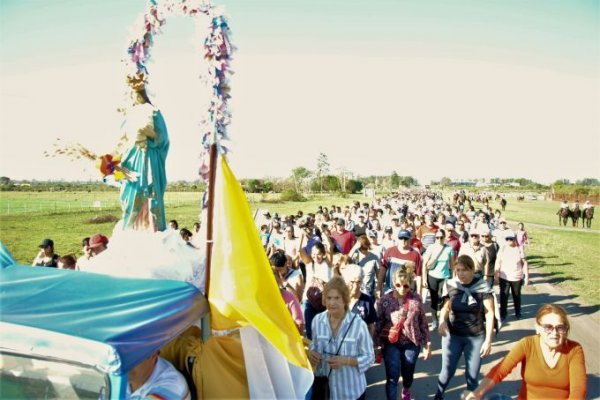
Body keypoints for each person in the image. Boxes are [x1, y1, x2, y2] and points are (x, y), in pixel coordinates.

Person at [462, 304, 587, 400]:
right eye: (548, 327)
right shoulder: (527, 344)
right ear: (538, 328)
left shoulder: (574, 350)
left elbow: (578, 389)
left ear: (566, 330)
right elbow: (501, 369)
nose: (554, 333)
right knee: (493, 398)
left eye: (560, 328)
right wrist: (477, 393)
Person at [434, 255, 495, 400]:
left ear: (473, 270)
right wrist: (442, 321)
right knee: (447, 371)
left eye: (465, 270)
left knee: (472, 376)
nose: (461, 273)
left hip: (475, 337)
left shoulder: (482, 286)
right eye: (458, 270)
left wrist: (488, 341)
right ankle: (438, 395)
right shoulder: (450, 284)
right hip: (453, 335)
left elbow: (490, 313)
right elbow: (446, 307)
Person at [309, 277, 375, 399]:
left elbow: (370, 357)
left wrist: (347, 361)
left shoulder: (358, 325)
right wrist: (312, 353)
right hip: (326, 392)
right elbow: (314, 345)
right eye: (329, 298)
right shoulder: (317, 321)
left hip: (351, 393)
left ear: (345, 300)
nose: (332, 302)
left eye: (337, 298)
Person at [119, 72, 170, 231]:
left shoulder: (153, 112)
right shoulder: (129, 115)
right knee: (131, 195)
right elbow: (122, 141)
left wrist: (151, 134)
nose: (133, 97)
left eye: (135, 93)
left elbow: (164, 139)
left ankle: (152, 228)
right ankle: (132, 229)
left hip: (148, 159)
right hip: (131, 161)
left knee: (150, 193)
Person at [378, 268, 431, 400]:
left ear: (410, 284)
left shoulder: (416, 299)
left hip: (411, 343)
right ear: (393, 283)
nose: (402, 288)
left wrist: (427, 344)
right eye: (398, 285)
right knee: (392, 375)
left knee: (408, 372)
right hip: (391, 344)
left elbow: (423, 322)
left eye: (406, 285)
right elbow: (378, 323)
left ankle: (406, 388)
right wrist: (377, 345)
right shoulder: (384, 300)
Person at [300, 242, 335, 339]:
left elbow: (330, 248)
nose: (316, 256)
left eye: (318, 254)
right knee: (310, 331)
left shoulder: (328, 264)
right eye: (313, 254)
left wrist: (325, 234)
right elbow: (300, 251)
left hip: (324, 303)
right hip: (309, 301)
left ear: (323, 254)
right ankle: (311, 352)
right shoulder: (309, 264)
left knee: (324, 331)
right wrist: (301, 238)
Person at [422, 229, 455, 329]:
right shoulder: (431, 248)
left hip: (444, 277)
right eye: (437, 237)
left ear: (444, 238)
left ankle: (443, 318)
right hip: (432, 276)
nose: (439, 239)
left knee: (444, 298)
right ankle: (435, 320)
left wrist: (453, 277)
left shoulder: (449, 249)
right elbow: (424, 264)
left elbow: (452, 265)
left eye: (441, 237)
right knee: (434, 299)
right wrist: (424, 278)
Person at [377, 229, 422, 299]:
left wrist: (419, 293)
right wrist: (378, 287)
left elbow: (418, 275)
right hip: (390, 290)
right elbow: (383, 269)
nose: (403, 240)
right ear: (398, 239)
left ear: (410, 239)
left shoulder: (415, 255)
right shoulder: (389, 251)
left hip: (407, 292)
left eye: (406, 238)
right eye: (401, 238)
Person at [495, 231, 529, 321]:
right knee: (504, 296)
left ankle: (518, 312)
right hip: (504, 277)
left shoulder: (519, 249)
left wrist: (526, 277)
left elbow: (524, 263)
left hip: (516, 277)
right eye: (507, 239)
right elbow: (498, 261)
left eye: (511, 239)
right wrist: (496, 274)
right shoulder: (502, 249)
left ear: (515, 239)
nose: (509, 241)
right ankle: (503, 314)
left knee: (517, 295)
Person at [340, 264, 377, 341]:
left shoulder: (367, 300)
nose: (356, 286)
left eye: (358, 282)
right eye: (352, 282)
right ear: (345, 281)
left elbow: (371, 326)